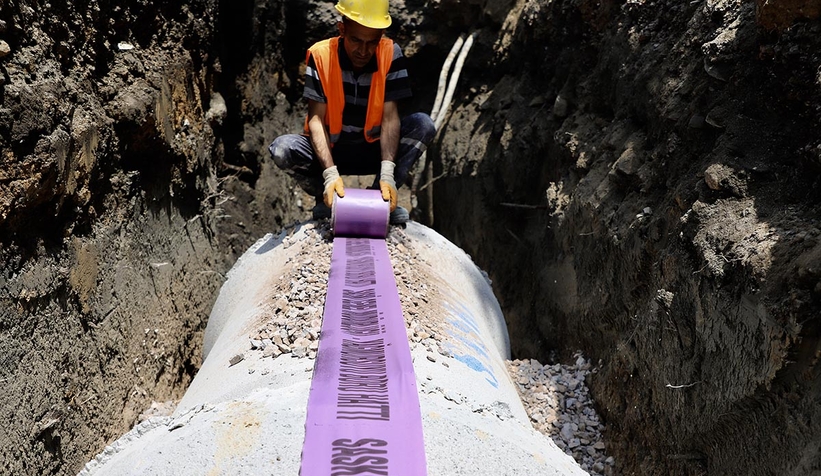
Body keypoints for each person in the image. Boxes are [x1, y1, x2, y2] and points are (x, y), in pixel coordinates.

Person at [268, 0, 436, 224]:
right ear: (342, 29)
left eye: (372, 42)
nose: (363, 51)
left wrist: (387, 172)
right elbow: (316, 119)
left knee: (423, 125)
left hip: (372, 149)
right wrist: (329, 174)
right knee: (282, 149)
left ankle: (382, 197)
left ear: (381, 35)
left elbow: (390, 117)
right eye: (356, 40)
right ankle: (326, 197)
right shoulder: (321, 55)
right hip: (331, 150)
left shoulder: (390, 54)